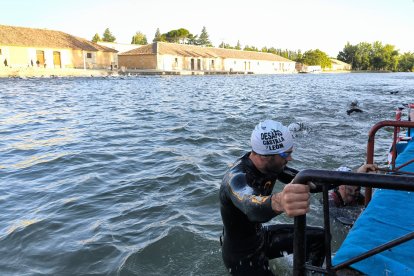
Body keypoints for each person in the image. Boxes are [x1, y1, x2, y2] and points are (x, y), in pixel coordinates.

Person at [219, 119, 325, 275]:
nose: (290, 159)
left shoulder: (273, 166)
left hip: (261, 237)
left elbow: (312, 183)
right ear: (264, 156)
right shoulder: (236, 178)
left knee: (320, 238)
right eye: (286, 154)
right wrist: (280, 201)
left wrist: (353, 176)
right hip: (241, 255)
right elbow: (251, 207)